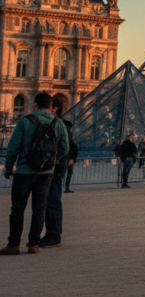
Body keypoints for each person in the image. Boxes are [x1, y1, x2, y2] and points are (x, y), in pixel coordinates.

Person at [2, 93, 70, 256]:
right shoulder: (58, 123)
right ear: (50, 105)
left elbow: (13, 147)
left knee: (18, 208)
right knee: (39, 208)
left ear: (35, 104)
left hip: (25, 172)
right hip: (46, 173)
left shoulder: (25, 121)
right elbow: (65, 148)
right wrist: (52, 161)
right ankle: (33, 244)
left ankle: (14, 245)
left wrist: (9, 167)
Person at [40, 97, 77, 248]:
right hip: (53, 167)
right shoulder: (60, 124)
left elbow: (70, 147)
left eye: (52, 107)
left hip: (54, 168)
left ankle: (54, 235)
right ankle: (51, 233)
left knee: (52, 201)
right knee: (49, 201)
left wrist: (60, 160)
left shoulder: (59, 124)